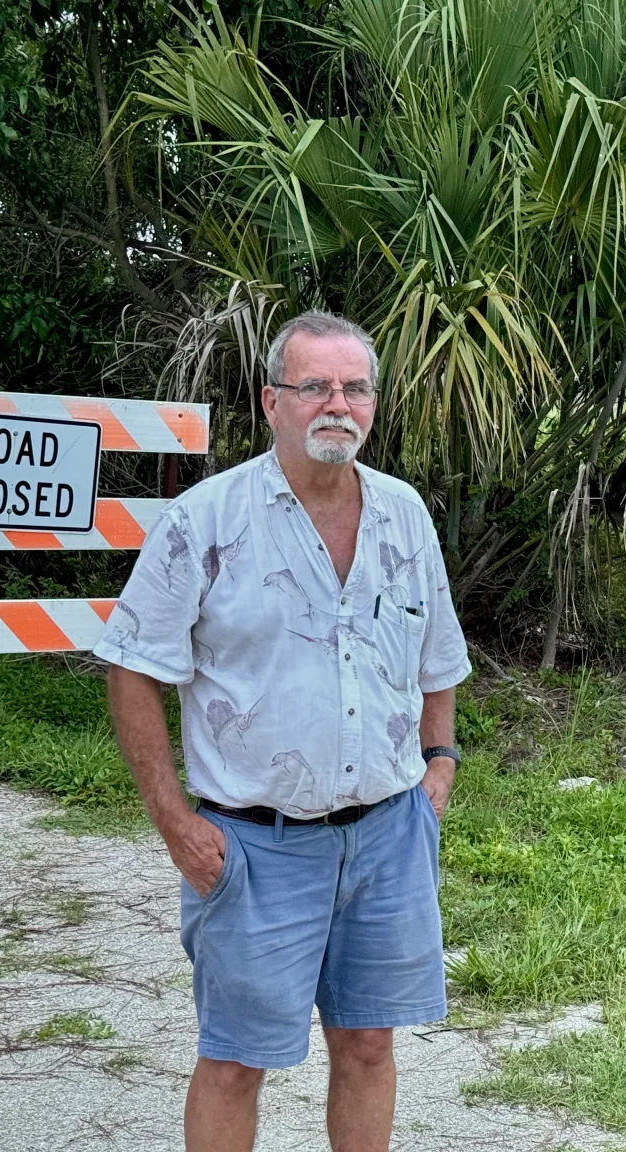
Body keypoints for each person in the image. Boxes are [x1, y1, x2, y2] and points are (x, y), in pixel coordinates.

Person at [96, 310, 470, 1152]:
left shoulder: (405, 515)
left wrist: (438, 763)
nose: (337, 404)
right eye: (315, 387)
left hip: (387, 838)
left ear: (373, 402)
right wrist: (174, 823)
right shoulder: (207, 520)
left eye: (355, 387)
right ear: (272, 402)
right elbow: (130, 664)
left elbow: (436, 653)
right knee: (235, 1061)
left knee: (371, 1045)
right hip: (254, 849)